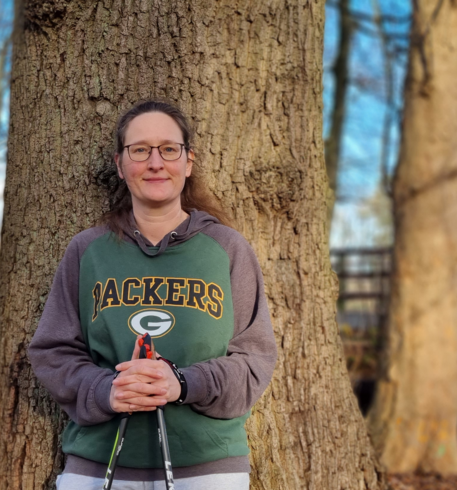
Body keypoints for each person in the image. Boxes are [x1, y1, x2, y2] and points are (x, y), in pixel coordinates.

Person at [28, 100, 277, 489]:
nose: (155, 162)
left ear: (188, 161)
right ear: (120, 164)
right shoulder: (87, 250)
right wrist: (105, 390)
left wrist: (182, 382)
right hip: (97, 464)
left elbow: (254, 361)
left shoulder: (227, 249)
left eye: (168, 149)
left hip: (207, 468)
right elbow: (52, 352)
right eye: (140, 150)